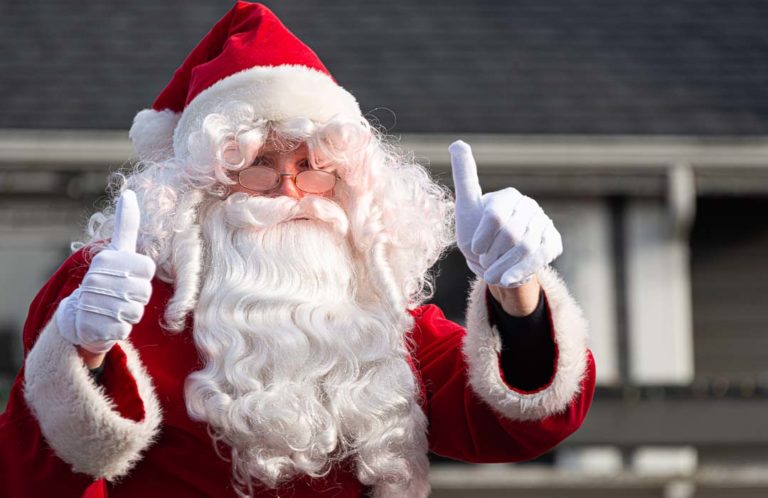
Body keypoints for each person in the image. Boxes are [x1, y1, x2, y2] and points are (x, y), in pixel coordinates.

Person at [0, 3, 595, 497]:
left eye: (313, 166)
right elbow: (34, 480)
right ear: (201, 182)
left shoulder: (372, 299)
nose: (290, 189)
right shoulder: (112, 283)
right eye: (258, 163)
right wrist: (84, 355)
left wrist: (517, 292)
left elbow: (515, 426)